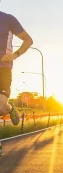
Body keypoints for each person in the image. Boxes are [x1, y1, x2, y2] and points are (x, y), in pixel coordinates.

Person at [0, 11, 33, 155]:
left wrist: (15, 55)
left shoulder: (8, 19)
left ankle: (9, 107)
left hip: (4, 68)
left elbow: (28, 40)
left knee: (1, 107)